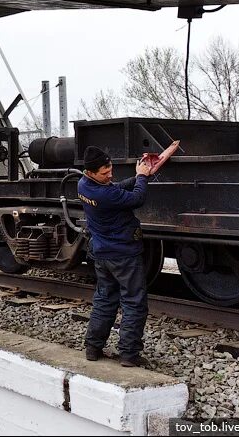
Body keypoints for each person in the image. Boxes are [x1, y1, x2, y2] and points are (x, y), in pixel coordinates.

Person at [78, 145, 153, 368]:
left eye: (110, 169)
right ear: (91, 172)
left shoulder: (84, 185)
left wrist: (134, 177)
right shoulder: (104, 193)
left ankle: (93, 347)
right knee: (134, 302)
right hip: (123, 254)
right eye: (104, 172)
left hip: (102, 253)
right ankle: (129, 354)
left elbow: (116, 190)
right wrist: (142, 178)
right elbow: (137, 199)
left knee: (105, 299)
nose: (110, 174)